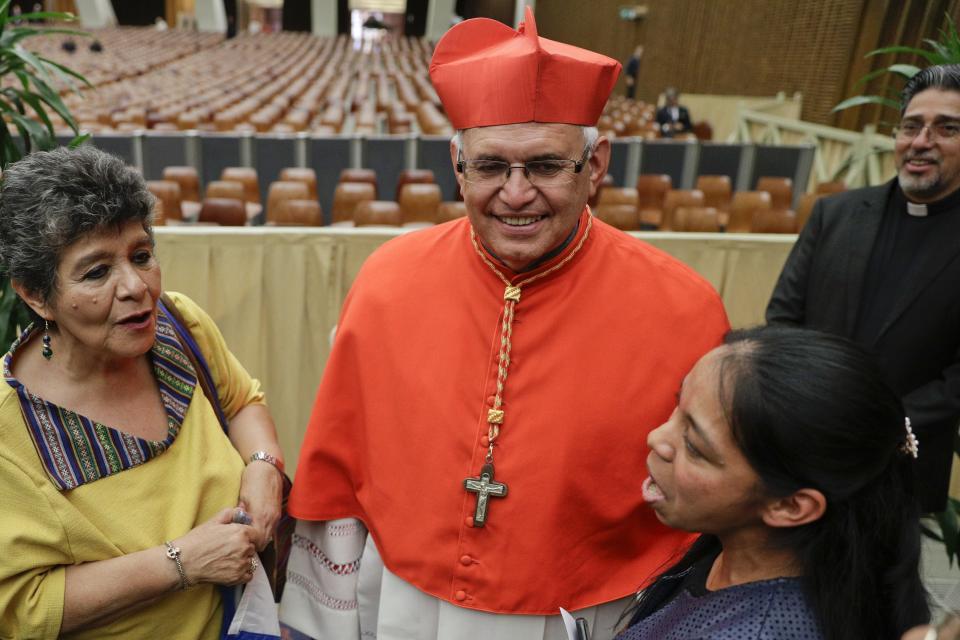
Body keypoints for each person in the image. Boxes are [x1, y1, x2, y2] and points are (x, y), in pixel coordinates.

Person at [281, 8, 729, 640]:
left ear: (595, 164)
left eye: (544, 166)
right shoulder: (387, 282)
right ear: (458, 166)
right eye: (491, 166)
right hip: (406, 601)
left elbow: (707, 500)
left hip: (587, 607)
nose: (515, 195)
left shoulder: (686, 309)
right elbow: (344, 471)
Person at [0, 146, 285, 638]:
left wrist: (263, 465)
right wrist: (183, 563)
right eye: (96, 272)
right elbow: (22, 607)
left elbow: (241, 402)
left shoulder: (179, 326)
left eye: (141, 256)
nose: (136, 287)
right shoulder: (12, 429)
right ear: (35, 294)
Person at [616, 325, 929, 640]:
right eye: (678, 405)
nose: (656, 438)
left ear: (789, 505)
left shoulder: (756, 631)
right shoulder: (734, 555)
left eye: (696, 447)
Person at [766, 63, 960, 513]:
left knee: (883, 582)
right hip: (806, 449)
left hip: (901, 466)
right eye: (911, 126)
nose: (921, 141)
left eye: (946, 128)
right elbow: (783, 320)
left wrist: (883, 427)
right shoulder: (834, 214)